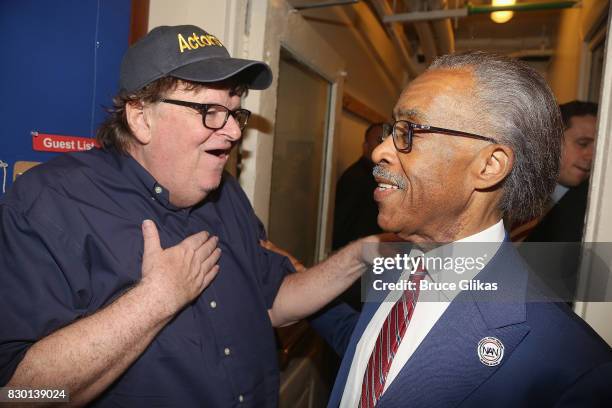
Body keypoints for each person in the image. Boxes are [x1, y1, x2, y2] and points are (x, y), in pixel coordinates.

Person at [0, 25, 366, 407]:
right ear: (142, 118)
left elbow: (273, 299)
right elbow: (16, 395)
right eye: (210, 111)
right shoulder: (50, 203)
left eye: (234, 113)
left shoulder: (227, 194)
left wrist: (363, 254)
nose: (232, 132)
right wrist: (156, 299)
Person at [326, 52, 612, 407]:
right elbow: (378, 359)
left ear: (490, 165)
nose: (380, 151)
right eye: (392, 130)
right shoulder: (396, 263)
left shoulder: (573, 365)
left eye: (410, 131)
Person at [524, 100, 598, 243]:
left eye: (597, 148)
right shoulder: (508, 186)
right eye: (583, 144)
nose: (591, 156)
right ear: (551, 140)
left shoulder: (592, 210)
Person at [333, 124, 384, 310]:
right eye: (378, 141)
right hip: (355, 272)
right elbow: (341, 226)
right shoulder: (356, 178)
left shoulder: (377, 176)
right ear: (365, 146)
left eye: (387, 140)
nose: (384, 146)